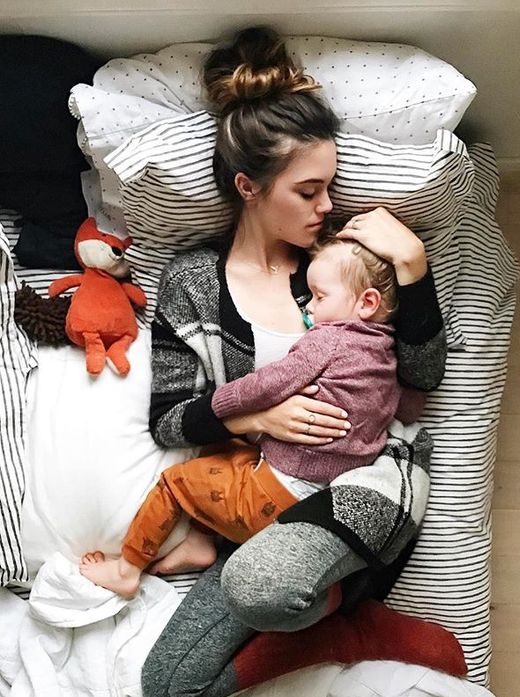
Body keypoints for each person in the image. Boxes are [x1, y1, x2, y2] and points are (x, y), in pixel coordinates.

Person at [138, 26, 447, 697]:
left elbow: (421, 376)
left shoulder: (340, 265)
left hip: (366, 483)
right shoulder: (192, 281)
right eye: (309, 191)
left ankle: (343, 600)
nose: (328, 206)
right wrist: (258, 416)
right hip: (265, 504)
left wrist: (414, 267)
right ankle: (345, 629)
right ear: (248, 186)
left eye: (329, 187)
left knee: (263, 585)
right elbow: (168, 420)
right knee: (166, 684)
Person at [80, 235, 401, 597]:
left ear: (366, 302)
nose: (309, 307)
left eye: (320, 297)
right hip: (316, 499)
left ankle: (126, 569)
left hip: (271, 498)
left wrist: (219, 402)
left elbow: (269, 383)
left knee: (175, 482)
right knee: (224, 445)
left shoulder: (330, 339)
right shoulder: (385, 355)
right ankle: (200, 541)